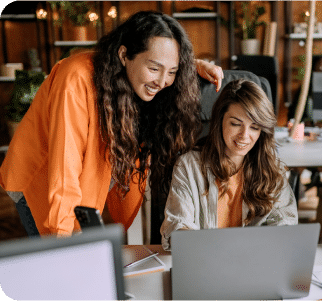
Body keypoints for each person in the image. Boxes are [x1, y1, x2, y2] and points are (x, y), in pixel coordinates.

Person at [0, 11, 224, 237]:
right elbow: (64, 166)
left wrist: (191, 67)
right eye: (155, 69)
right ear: (124, 54)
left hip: (86, 180)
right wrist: (64, 241)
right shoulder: (75, 79)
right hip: (41, 181)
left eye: (172, 71)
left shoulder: (137, 74)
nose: (162, 81)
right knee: (57, 258)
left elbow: (160, 62)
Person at [160, 79, 298, 250]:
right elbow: (177, 226)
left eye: (254, 127)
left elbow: (286, 225)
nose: (244, 136)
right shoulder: (189, 166)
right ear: (220, 121)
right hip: (205, 263)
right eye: (235, 124)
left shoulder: (272, 170)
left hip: (255, 266)